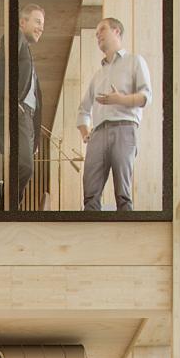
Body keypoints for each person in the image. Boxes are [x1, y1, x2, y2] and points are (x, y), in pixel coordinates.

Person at [76, 16, 153, 212]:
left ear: (116, 31)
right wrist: (86, 133)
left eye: (102, 30)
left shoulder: (135, 61)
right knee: (90, 194)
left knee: (123, 193)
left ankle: (126, 238)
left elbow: (146, 97)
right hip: (98, 133)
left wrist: (119, 99)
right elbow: (83, 110)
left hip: (124, 128)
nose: (97, 36)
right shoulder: (97, 76)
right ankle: (90, 238)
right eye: (95, 34)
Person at [0, 2, 45, 208]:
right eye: (37, 21)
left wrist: (35, 138)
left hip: (27, 118)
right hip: (18, 112)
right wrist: (12, 102)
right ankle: (7, 206)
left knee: (20, 166)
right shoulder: (15, 38)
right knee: (24, 166)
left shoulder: (26, 52)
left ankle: (7, 206)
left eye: (42, 23)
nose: (41, 27)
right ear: (22, 22)